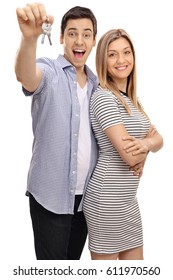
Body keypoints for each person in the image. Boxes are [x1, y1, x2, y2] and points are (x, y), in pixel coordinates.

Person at [15, 2, 98, 260]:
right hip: (50, 198)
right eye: (72, 33)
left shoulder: (98, 86)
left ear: (94, 40)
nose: (79, 40)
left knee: (71, 267)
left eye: (86, 34)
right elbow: (26, 76)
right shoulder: (50, 72)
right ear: (62, 37)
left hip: (86, 202)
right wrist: (29, 39)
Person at [83, 29, 163, 260]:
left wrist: (147, 145)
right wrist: (147, 147)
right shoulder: (104, 97)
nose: (121, 60)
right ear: (102, 60)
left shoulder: (131, 99)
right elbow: (129, 156)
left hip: (128, 199)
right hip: (106, 199)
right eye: (112, 55)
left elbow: (159, 139)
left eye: (126, 52)